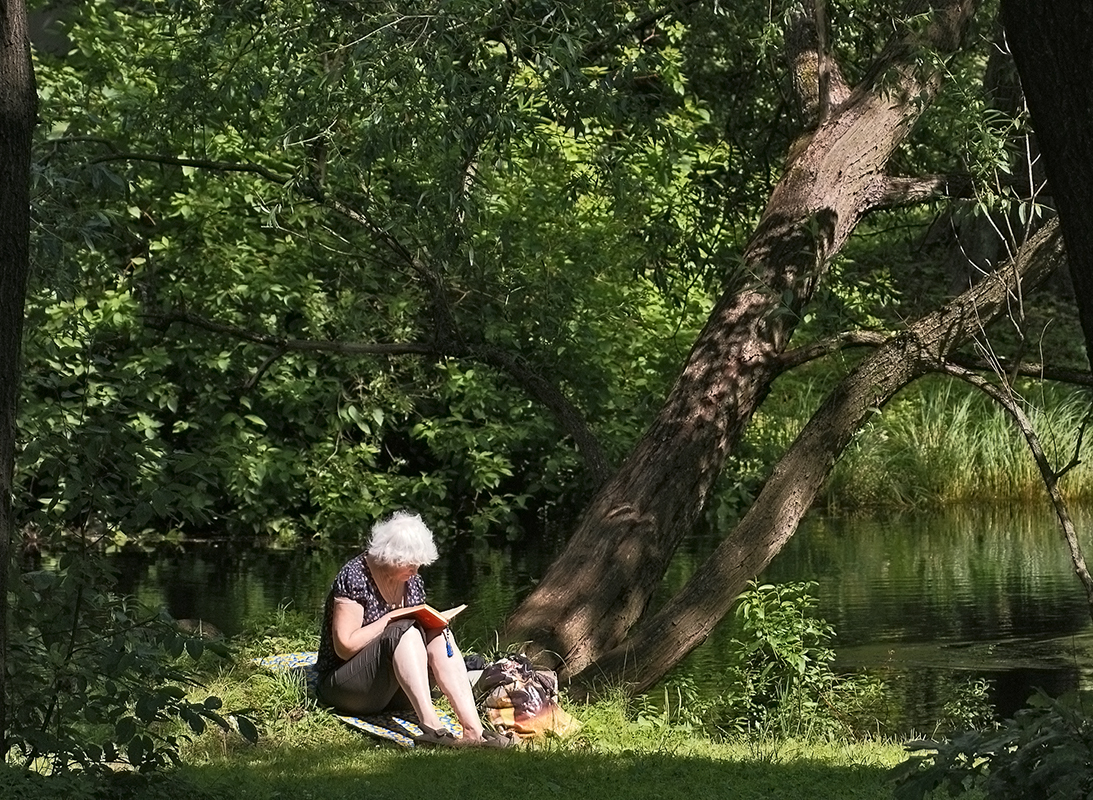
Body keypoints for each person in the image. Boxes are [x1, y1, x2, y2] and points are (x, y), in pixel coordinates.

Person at [315, 510, 510, 747]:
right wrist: (390, 618)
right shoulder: (355, 576)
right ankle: (432, 728)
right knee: (403, 632)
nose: (415, 571)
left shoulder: (412, 581)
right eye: (410, 565)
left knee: (440, 634)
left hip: (394, 690)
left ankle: (474, 730)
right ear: (390, 556)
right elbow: (344, 647)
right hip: (347, 688)